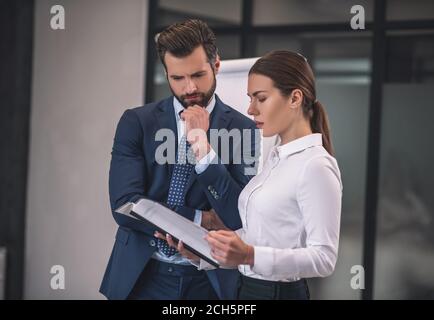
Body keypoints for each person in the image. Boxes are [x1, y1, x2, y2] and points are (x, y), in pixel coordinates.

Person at [99, 19, 258, 300]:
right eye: (178, 78)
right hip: (141, 276)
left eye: (198, 75)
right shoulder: (136, 122)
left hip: (209, 281)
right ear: (166, 73)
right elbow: (125, 206)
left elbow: (236, 216)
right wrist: (202, 218)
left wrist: (202, 146)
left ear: (216, 65)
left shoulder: (243, 129)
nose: (189, 88)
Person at [164, 50, 343, 300]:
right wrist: (206, 252)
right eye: (250, 98)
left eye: (261, 98)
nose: (250, 109)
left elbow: (324, 259)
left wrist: (249, 255)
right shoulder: (275, 158)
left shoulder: (315, 165)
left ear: (295, 98)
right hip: (246, 289)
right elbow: (258, 236)